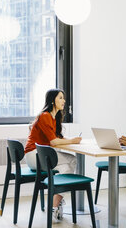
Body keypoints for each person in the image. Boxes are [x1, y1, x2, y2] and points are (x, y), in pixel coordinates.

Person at [24, 89, 81, 221]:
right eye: (60, 98)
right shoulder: (45, 116)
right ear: (52, 100)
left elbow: (56, 138)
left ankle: (56, 203)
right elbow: (54, 142)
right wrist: (72, 141)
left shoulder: (53, 118)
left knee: (66, 167)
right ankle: (55, 205)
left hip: (40, 155)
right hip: (35, 156)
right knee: (72, 161)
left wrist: (69, 139)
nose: (64, 101)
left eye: (64, 98)